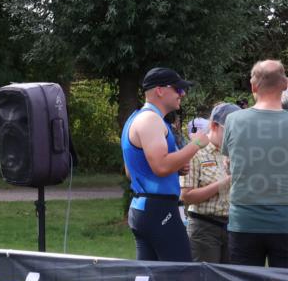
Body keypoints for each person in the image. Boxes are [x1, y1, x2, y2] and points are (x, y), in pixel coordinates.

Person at [121, 67, 210, 262]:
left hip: (144, 208)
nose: (183, 93)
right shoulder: (150, 120)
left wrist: (176, 169)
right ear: (160, 90)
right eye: (178, 89)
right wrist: (196, 144)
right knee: (181, 276)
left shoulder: (137, 118)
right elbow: (160, 167)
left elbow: (132, 171)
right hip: (158, 209)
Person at [221, 59, 288, 268]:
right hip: (284, 222)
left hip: (244, 221)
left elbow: (228, 163)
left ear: (253, 86)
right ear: (285, 84)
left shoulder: (233, 120)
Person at [179, 103, 239, 263]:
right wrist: (226, 182)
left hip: (234, 227)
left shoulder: (237, 152)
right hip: (204, 228)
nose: (235, 135)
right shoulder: (196, 152)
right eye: (230, 129)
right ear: (214, 126)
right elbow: (186, 196)